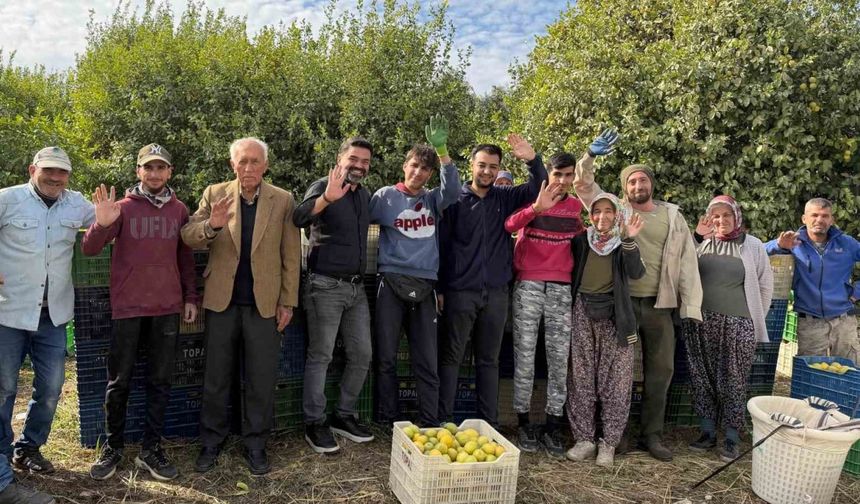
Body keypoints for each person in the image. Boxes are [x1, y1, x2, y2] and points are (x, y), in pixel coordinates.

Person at [574, 132, 703, 461]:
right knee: (617, 374)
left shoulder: (671, 216)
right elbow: (584, 184)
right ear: (624, 188)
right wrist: (589, 155)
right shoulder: (613, 210)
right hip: (621, 304)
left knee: (660, 372)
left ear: (651, 184)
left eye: (642, 181)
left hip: (660, 306)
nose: (636, 187)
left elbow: (687, 261)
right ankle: (616, 436)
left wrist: (689, 306)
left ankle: (652, 435)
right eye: (630, 182)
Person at [181, 138, 300, 476]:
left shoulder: (283, 200)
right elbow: (188, 234)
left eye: (254, 162)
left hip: (264, 304)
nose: (248, 168)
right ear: (232, 165)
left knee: (261, 378)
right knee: (216, 376)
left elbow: (291, 256)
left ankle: (256, 444)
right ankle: (211, 442)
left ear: (265, 165)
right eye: (242, 162)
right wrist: (212, 225)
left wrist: (288, 301)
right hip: (222, 302)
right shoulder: (215, 193)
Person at [82, 144, 199, 481]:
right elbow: (90, 249)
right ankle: (113, 448)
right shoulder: (120, 209)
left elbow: (185, 258)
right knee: (119, 381)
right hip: (128, 307)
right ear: (138, 172)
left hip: (166, 308)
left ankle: (151, 450)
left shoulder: (179, 210)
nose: (154, 174)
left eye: (160, 167)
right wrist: (103, 224)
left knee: (160, 381)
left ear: (170, 172)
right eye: (148, 168)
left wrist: (190, 296)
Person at [0, 146, 95, 504]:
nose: (55, 178)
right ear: (32, 169)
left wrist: (111, 215)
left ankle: (28, 448)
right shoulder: (7, 200)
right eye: (49, 171)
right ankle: (1, 467)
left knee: (52, 388)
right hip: (8, 313)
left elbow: (110, 219)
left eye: (62, 172)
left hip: (52, 316)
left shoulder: (76, 204)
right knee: (5, 389)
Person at [437, 134, 547, 425]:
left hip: (497, 293)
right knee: (452, 358)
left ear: (499, 169)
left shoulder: (506, 198)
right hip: (460, 292)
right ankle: (442, 420)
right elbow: (443, 245)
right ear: (471, 165)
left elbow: (541, 188)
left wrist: (533, 160)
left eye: (493, 167)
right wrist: (441, 288)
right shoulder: (454, 201)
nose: (487, 171)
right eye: (482, 165)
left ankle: (488, 423)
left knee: (489, 361)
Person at [370, 117, 460, 427]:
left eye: (425, 168)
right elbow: (358, 221)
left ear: (430, 174)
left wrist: (443, 152)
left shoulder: (434, 199)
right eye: (414, 165)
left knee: (426, 359)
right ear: (404, 166)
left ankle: (428, 421)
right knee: (385, 357)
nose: (418, 172)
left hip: (425, 285)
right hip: (390, 281)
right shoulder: (384, 197)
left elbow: (454, 190)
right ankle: (387, 420)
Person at [293, 137, 375, 454]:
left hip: (356, 288)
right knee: (321, 356)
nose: (359, 165)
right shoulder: (322, 185)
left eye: (365, 161)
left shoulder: (364, 195)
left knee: (362, 354)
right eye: (353, 159)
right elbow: (299, 218)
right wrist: (327, 198)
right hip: (324, 285)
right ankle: (315, 423)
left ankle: (343, 415)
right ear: (340, 159)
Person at [503, 152, 585, 457]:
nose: (562, 182)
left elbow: (581, 241)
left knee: (558, 357)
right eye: (557, 175)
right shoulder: (531, 197)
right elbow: (509, 225)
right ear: (548, 174)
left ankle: (553, 425)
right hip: (528, 285)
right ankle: (524, 423)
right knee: (524, 356)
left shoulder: (576, 207)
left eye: (568, 176)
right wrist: (536, 209)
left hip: (562, 288)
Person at [684, 195, 773, 462]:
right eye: (715, 216)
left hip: (737, 325)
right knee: (702, 378)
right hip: (699, 323)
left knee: (733, 380)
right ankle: (708, 433)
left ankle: (732, 438)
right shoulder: (701, 243)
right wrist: (696, 237)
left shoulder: (753, 245)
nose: (721, 221)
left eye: (726, 215)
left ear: (736, 217)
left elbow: (765, 284)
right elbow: (681, 266)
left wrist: (753, 316)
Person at [566, 193, 644, 467]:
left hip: (615, 315)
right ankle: (584, 439)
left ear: (617, 213)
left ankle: (608, 443)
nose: (602, 216)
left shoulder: (623, 243)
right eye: (596, 211)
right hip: (582, 311)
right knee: (581, 376)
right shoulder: (580, 240)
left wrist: (630, 239)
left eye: (608, 211)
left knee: (617, 380)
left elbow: (636, 273)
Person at [765, 198, 860, 363]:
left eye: (825, 216)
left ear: (832, 219)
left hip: (844, 321)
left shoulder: (846, 243)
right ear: (804, 218)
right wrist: (778, 245)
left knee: (849, 373)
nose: (819, 220)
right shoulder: (793, 242)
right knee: (813, 375)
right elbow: (759, 251)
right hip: (810, 322)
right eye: (814, 215)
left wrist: (856, 292)